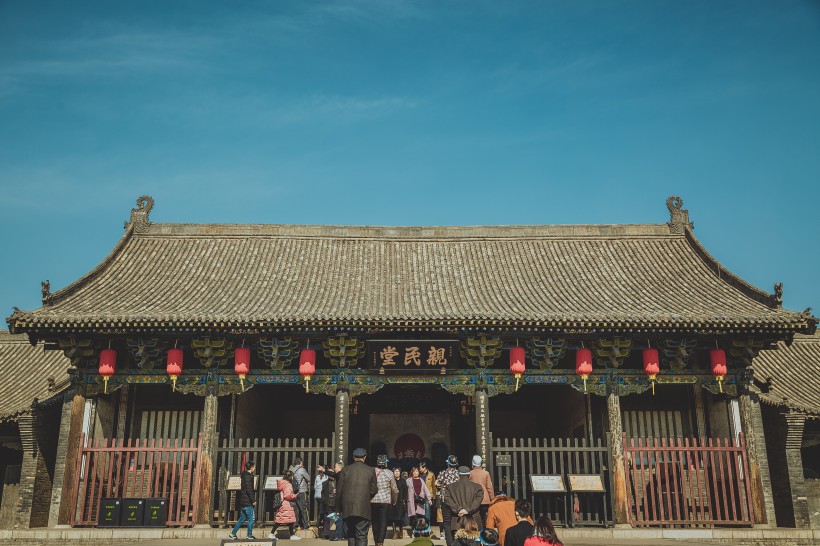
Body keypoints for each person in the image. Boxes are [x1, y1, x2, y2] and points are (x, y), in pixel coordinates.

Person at [336, 447, 378, 546]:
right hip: (363, 508)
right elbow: (374, 490)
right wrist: (366, 497)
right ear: (364, 457)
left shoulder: (345, 470)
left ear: (353, 457)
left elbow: (339, 491)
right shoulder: (370, 470)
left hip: (347, 508)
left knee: (351, 534)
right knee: (362, 535)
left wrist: (338, 508)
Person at [442, 466, 483, 542]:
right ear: (469, 475)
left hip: (457, 520)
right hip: (473, 522)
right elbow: (477, 502)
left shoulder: (450, 487)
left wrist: (459, 509)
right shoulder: (478, 487)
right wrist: (467, 510)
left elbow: (447, 500)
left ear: (458, 476)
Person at [371, 454, 398, 546]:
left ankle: (375, 541)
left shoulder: (372, 471)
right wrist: (394, 500)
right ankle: (380, 542)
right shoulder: (389, 473)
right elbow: (394, 489)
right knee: (383, 522)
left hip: (373, 500)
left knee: (374, 522)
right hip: (385, 501)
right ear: (386, 462)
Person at [434, 455, 460, 545]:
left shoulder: (443, 473)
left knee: (447, 523)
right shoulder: (459, 474)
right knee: (457, 521)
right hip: (456, 501)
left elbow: (436, 484)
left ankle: (449, 543)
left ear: (448, 464)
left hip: (445, 500)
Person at [228, 461, 257, 540]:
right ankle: (249, 535)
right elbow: (249, 490)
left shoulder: (243, 475)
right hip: (247, 501)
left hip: (243, 501)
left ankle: (233, 533)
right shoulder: (249, 477)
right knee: (251, 518)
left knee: (242, 518)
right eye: (254, 467)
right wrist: (253, 500)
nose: (254, 468)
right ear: (251, 468)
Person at [268, 470, 301, 540]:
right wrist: (295, 496)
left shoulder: (282, 483)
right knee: (288, 520)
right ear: (289, 477)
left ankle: (272, 534)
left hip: (283, 503)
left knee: (282, 519)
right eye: (292, 476)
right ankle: (291, 535)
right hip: (286, 503)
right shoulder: (288, 484)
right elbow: (287, 495)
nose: (293, 477)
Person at [322, 463, 346, 541]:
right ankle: (340, 535)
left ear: (339, 467)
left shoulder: (340, 475)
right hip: (330, 503)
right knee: (334, 519)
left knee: (339, 519)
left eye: (335, 467)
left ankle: (339, 535)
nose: (335, 469)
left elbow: (332, 473)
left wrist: (323, 470)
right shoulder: (326, 482)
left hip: (338, 502)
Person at [468, 456, 494, 528]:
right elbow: (489, 488)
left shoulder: (470, 473)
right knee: (484, 518)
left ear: (473, 463)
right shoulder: (486, 473)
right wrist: (492, 499)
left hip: (474, 499)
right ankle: (484, 533)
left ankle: (476, 533)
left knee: (474, 518)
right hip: (484, 500)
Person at [406, 466, 431, 531]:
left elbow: (426, 489)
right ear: (412, 472)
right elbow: (405, 490)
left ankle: (419, 530)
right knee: (413, 516)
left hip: (420, 500)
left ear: (418, 472)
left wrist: (429, 498)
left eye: (416, 471)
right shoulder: (408, 480)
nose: (415, 472)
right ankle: (413, 530)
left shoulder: (421, 480)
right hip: (412, 500)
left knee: (420, 516)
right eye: (414, 471)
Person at [418, 462, 438, 538]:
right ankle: (420, 528)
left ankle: (428, 528)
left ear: (425, 468)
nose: (419, 469)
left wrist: (433, 497)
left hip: (428, 495)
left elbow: (433, 486)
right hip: (420, 495)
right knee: (420, 512)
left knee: (427, 512)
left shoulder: (431, 474)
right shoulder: (418, 475)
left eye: (421, 468)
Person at [292, 457, 312, 531]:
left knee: (296, 509)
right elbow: (309, 478)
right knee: (304, 508)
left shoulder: (293, 470)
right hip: (302, 491)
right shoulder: (302, 469)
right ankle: (306, 524)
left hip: (295, 492)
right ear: (300, 462)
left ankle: (296, 524)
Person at [391, 467, 408, 539]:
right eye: (395, 471)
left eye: (398, 471)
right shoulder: (392, 481)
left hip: (401, 501)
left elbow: (405, 491)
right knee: (393, 518)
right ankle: (394, 532)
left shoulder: (403, 481)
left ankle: (401, 531)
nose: (397, 473)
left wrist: (404, 500)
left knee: (400, 517)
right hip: (393, 501)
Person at [315, 464, 329, 530]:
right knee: (322, 511)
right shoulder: (326, 477)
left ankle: (319, 523)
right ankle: (318, 524)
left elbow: (315, 486)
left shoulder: (317, 476)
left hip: (317, 496)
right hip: (322, 496)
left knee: (321, 509)